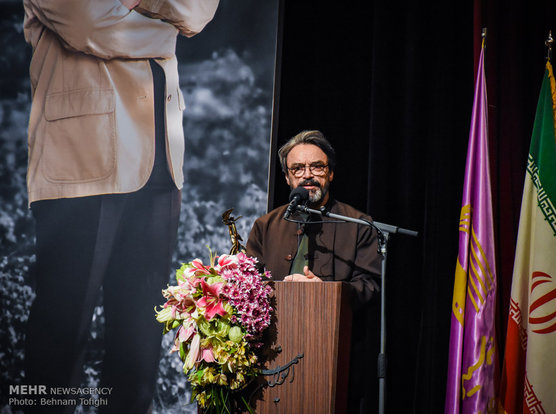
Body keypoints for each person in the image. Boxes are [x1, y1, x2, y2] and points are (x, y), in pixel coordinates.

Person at [22, 1, 219, 412]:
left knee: (138, 346)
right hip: (81, 164)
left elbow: (199, 10)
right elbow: (89, 24)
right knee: (62, 337)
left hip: (161, 164)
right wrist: (166, 32)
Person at [245, 130, 381, 413]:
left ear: (330, 173)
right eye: (297, 169)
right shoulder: (266, 226)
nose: (308, 175)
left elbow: (370, 284)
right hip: (271, 355)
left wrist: (328, 294)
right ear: (287, 177)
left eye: (317, 167)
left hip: (332, 354)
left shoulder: (358, 224)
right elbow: (247, 284)